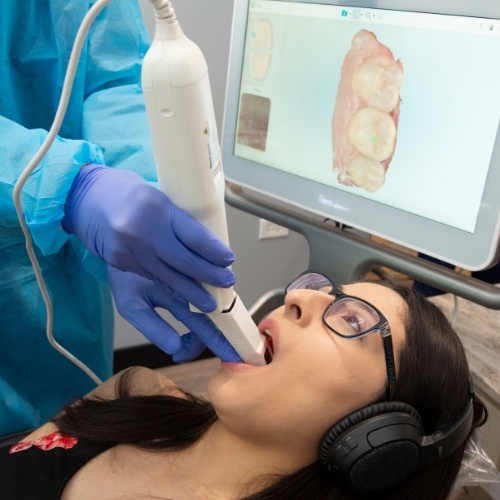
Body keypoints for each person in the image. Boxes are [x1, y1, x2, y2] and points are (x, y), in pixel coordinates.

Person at [0, 272, 488, 499]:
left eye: (351, 318)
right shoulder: (136, 391)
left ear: (377, 436)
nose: (297, 296)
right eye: (322, 290)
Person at [0, 0, 238, 437]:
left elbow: (110, 74)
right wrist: (64, 186)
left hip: (63, 301)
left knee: (59, 441)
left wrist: (141, 180)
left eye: (349, 320)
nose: (306, 298)